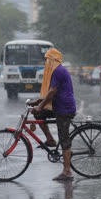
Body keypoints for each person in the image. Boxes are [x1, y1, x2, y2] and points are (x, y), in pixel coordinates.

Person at [30, 48, 76, 180]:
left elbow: (52, 92)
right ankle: (50, 139)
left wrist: (40, 106)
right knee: (39, 115)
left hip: (64, 109)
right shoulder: (56, 71)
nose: (45, 62)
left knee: (64, 139)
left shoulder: (58, 71)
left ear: (53, 60)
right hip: (58, 106)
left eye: (47, 59)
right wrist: (37, 102)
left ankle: (67, 171)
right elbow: (49, 92)